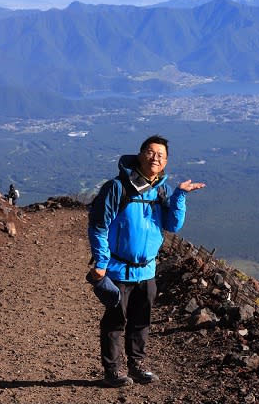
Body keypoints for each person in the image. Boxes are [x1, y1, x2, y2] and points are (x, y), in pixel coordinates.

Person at [87, 135, 206, 388]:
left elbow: (172, 225)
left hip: (147, 271)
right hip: (118, 270)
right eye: (151, 153)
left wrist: (180, 196)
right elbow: (98, 226)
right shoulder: (116, 188)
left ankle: (137, 365)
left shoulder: (160, 189)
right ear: (140, 155)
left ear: (166, 162)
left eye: (161, 155)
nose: (156, 158)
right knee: (115, 321)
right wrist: (101, 261)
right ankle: (113, 371)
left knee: (141, 321)